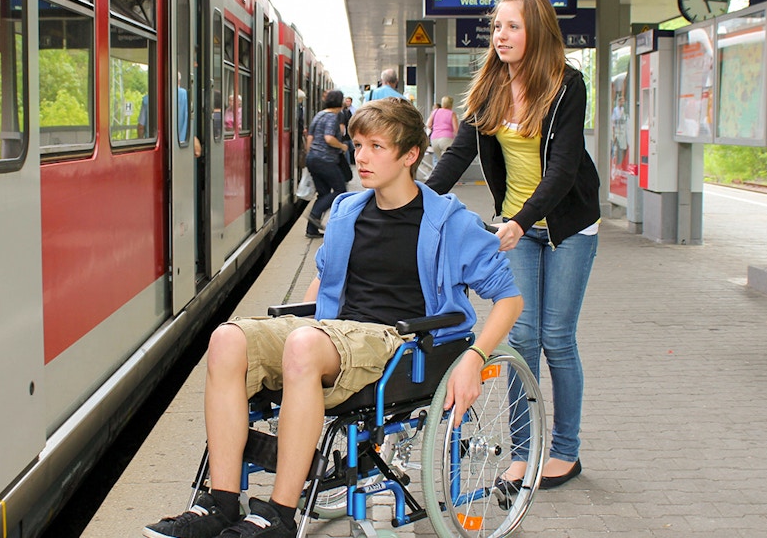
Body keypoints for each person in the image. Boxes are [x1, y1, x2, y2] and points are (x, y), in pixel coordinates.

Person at [143, 97, 523, 538]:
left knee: (303, 345)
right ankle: (222, 503)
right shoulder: (346, 211)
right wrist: (299, 326)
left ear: (410, 155)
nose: (361, 157)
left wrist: (475, 359)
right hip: (335, 334)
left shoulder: (449, 221)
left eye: (377, 147)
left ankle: (281, 515)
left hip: (401, 343)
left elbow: (509, 299)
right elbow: (324, 285)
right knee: (227, 338)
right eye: (358, 144)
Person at [426, 0, 600, 490]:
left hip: (567, 224)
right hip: (517, 225)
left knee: (557, 340)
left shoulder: (568, 85)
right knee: (522, 340)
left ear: (537, 32)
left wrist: (521, 220)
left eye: (512, 27)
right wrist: (415, 200)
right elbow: (458, 156)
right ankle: (523, 455)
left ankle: (566, 451)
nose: (501, 36)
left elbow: (564, 168)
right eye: (497, 27)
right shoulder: (489, 87)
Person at [302, 89, 348, 237]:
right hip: (325, 159)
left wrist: (310, 155)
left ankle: (311, 230)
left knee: (323, 193)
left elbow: (309, 138)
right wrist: (342, 146)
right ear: (340, 103)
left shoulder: (319, 115)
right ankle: (314, 214)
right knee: (340, 189)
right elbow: (329, 138)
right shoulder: (332, 117)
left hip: (313, 158)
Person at [425, 96, 458, 166]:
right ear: (451, 104)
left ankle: (437, 175)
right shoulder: (452, 113)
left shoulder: (435, 112)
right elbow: (456, 129)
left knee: (438, 161)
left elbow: (428, 124)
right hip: (447, 139)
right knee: (448, 161)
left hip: (434, 139)